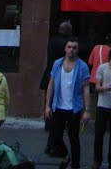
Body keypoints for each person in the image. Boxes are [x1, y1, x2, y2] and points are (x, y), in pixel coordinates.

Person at [45, 36, 91, 169]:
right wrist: (47, 105)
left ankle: (75, 165)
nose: (71, 50)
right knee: (55, 136)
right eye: (69, 47)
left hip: (74, 108)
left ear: (77, 50)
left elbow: (86, 88)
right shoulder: (57, 64)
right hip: (58, 106)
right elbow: (51, 84)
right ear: (65, 49)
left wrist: (87, 110)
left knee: (74, 138)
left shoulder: (82, 66)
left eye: (74, 48)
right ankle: (66, 155)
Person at [42, 21, 74, 156]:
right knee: (58, 112)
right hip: (61, 79)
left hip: (50, 76)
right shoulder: (68, 45)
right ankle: (53, 145)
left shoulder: (52, 41)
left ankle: (51, 140)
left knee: (51, 107)